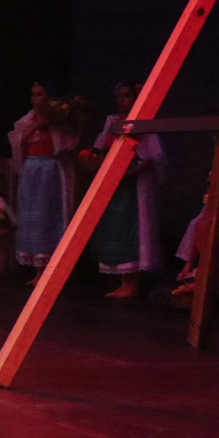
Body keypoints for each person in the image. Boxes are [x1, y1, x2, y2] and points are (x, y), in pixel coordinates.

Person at [88, 81, 168, 299]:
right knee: (117, 229)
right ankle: (123, 281)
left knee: (133, 228)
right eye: (120, 96)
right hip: (116, 184)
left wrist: (125, 173)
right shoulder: (113, 122)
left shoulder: (142, 123)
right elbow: (101, 148)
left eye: (127, 96)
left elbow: (151, 158)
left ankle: (132, 282)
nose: (122, 100)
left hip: (132, 184)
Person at [11, 82, 77, 271]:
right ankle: (37, 269)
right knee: (32, 218)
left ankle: (51, 269)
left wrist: (50, 124)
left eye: (39, 94)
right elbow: (17, 142)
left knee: (48, 216)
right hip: (32, 170)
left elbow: (68, 143)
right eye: (33, 94)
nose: (35, 99)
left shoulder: (58, 120)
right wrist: (34, 128)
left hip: (49, 171)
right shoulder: (27, 120)